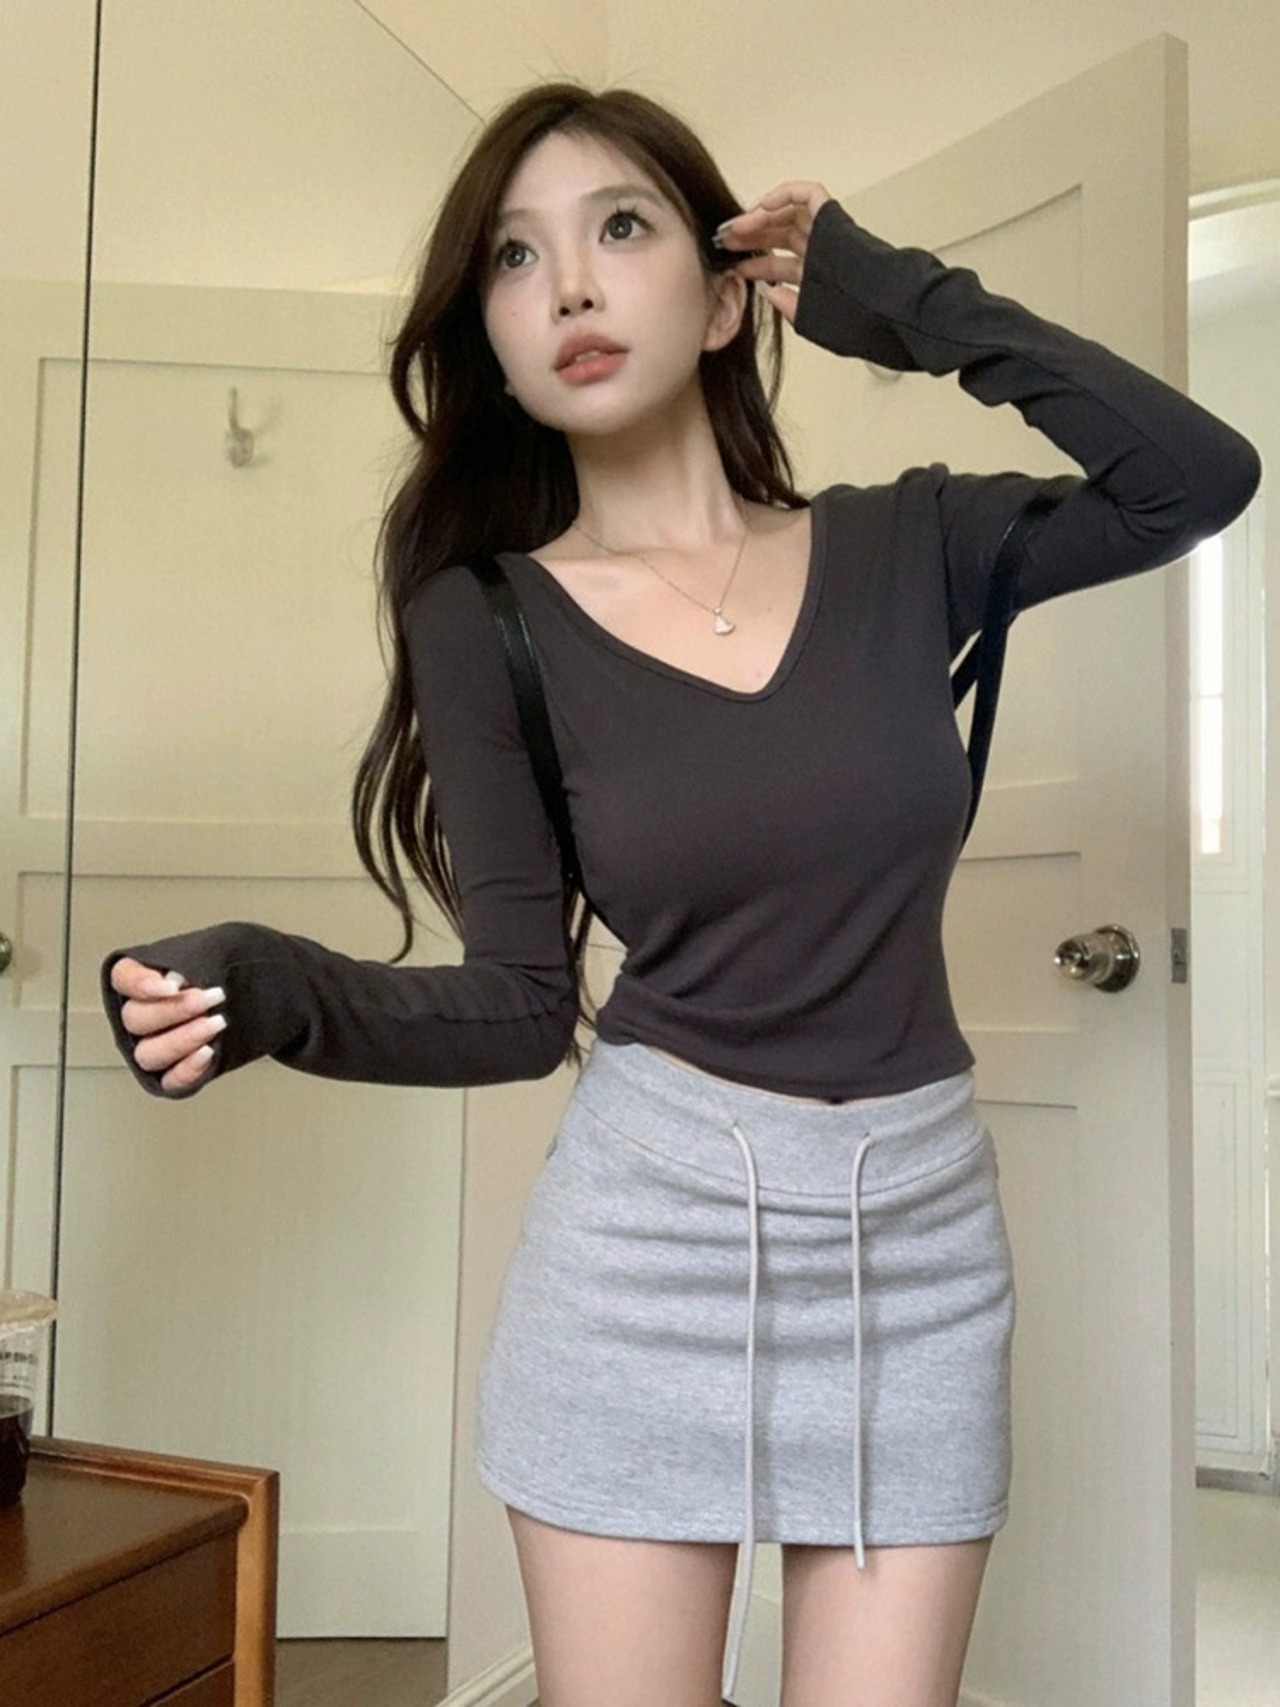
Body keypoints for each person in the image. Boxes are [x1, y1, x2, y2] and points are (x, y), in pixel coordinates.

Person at [103, 81, 1260, 1707]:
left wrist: (911, 303)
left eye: (622, 228)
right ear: (494, 341)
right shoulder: (486, 619)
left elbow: (1193, 477)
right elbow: (520, 1007)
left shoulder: (909, 545)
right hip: (645, 1250)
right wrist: (274, 985)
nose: (569, 286)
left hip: (916, 1252)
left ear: (726, 299)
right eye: (515, 259)